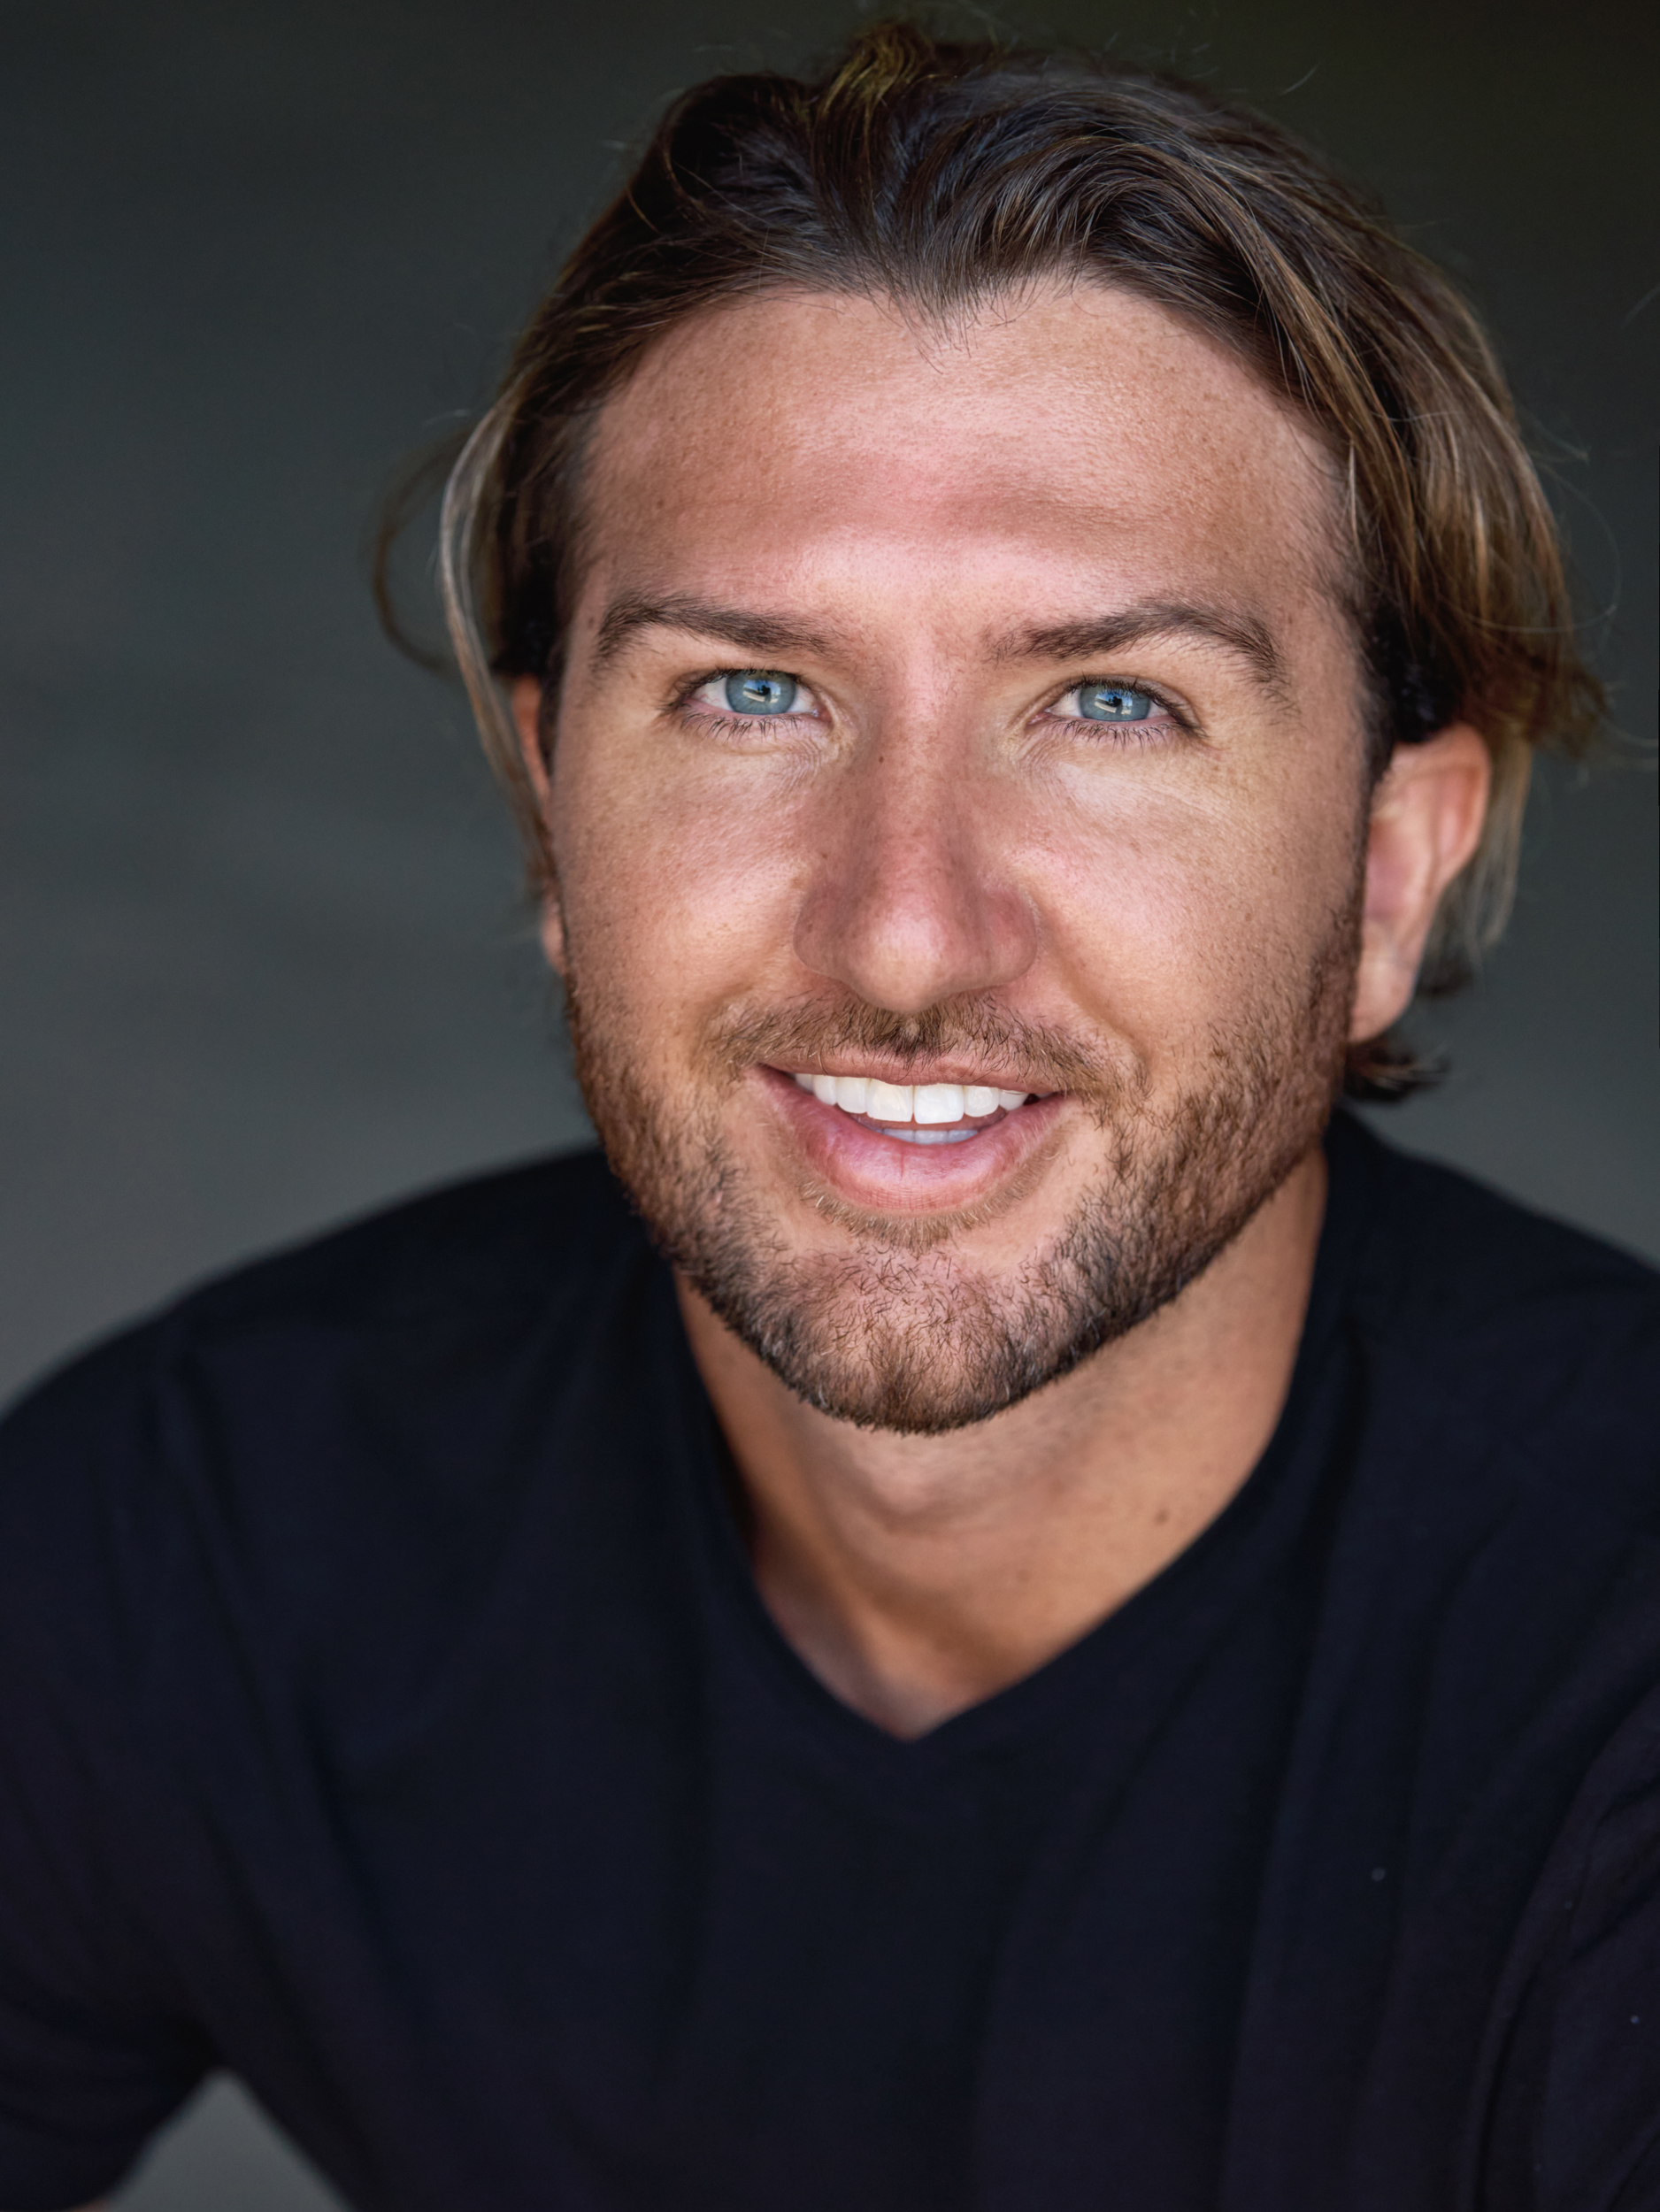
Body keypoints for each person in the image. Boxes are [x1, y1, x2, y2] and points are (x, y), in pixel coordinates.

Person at [1, 21, 1654, 2211]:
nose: (902, 931)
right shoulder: (200, 1545)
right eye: (753, 691)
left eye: (1109, 700)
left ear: (1380, 873)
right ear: (550, 810)